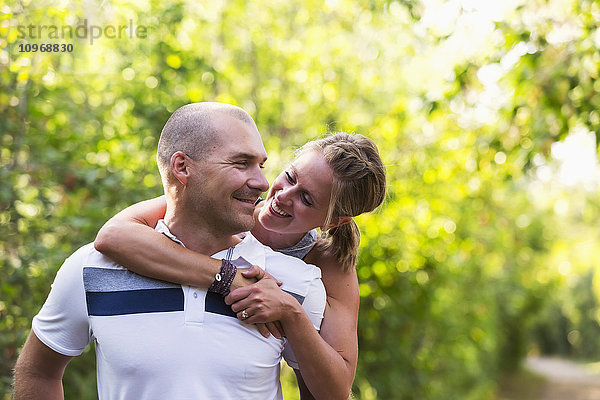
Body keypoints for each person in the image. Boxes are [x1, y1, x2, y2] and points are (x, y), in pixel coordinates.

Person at [13, 102, 327, 400]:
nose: (261, 182)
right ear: (182, 167)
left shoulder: (291, 284)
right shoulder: (91, 268)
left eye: (261, 165)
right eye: (241, 163)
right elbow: (38, 372)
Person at [93, 132, 387, 399]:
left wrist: (290, 313)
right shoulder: (229, 206)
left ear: (333, 221)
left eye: (306, 199)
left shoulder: (328, 265)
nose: (283, 196)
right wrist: (228, 278)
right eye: (290, 177)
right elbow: (114, 235)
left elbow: (335, 390)